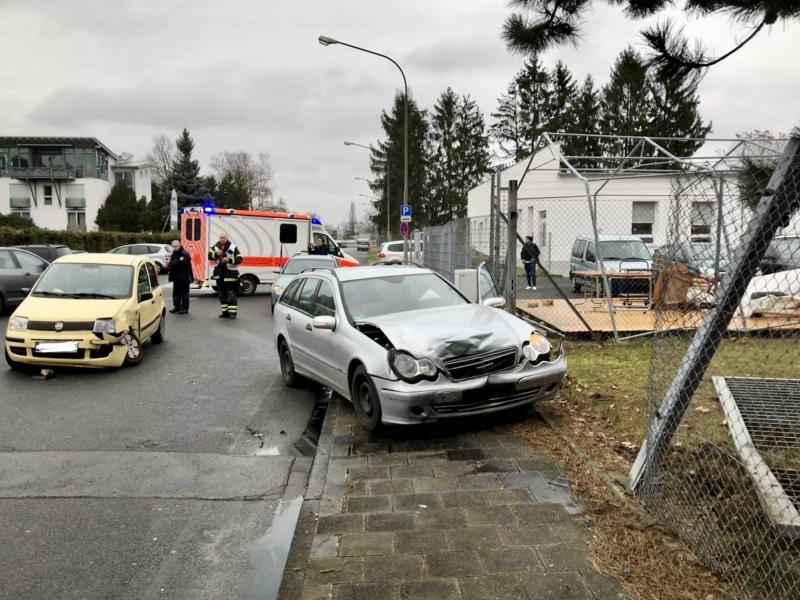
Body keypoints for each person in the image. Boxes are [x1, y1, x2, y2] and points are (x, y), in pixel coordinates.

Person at [208, 232, 243, 319]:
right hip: (220, 275)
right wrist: (216, 254)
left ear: (227, 238)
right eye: (221, 238)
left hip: (230, 275)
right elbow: (209, 256)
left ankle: (233, 313)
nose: (222, 239)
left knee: (231, 295)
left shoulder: (233, 247)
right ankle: (225, 312)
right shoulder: (215, 247)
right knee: (222, 295)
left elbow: (239, 259)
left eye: (224, 237)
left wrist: (229, 259)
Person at [168, 240, 192, 314]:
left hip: (184, 276)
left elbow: (182, 262)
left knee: (184, 293)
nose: (175, 248)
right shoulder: (174, 254)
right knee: (176, 292)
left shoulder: (184, 253)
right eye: (174, 246)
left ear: (179, 245)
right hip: (176, 276)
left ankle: (185, 308)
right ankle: (177, 306)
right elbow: (172, 262)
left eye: (176, 246)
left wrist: (172, 263)